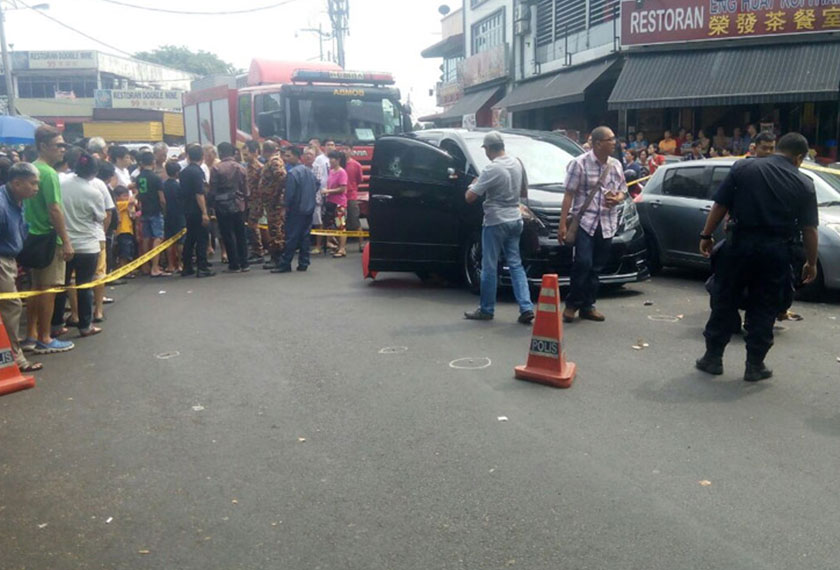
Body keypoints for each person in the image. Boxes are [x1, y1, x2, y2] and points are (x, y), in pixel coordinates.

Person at [695, 133, 819, 382]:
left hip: (739, 245)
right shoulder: (804, 183)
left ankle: (712, 358)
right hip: (776, 251)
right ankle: (754, 365)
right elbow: (810, 229)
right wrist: (811, 262)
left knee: (724, 298)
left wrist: (706, 234)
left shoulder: (744, 167)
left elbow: (720, 205)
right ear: (798, 158)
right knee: (764, 307)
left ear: (778, 149)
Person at [462, 132, 535, 324]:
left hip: (495, 221)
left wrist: (474, 184)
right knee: (515, 265)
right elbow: (523, 191)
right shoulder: (517, 163)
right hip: (515, 218)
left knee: (489, 266)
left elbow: (470, 198)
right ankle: (526, 307)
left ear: (488, 148)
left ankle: (486, 309)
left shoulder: (491, 169)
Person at [558, 126, 627, 324]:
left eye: (614, 139)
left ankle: (588, 305)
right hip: (585, 222)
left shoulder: (615, 165)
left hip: (607, 222)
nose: (615, 142)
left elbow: (622, 190)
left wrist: (617, 198)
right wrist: (562, 224)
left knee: (597, 267)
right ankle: (572, 304)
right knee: (583, 263)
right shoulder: (579, 164)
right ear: (598, 143)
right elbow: (568, 195)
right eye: (610, 139)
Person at [21, 126, 75, 355]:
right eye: (58, 145)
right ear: (43, 146)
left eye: (63, 145)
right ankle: (45, 336)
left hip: (30, 236)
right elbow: (54, 209)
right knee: (49, 288)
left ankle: (32, 334)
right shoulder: (49, 174)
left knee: (36, 287)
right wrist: (66, 240)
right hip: (47, 237)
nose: (62, 149)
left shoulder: (31, 169)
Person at [52, 152, 106, 337]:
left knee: (61, 285)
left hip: (63, 242)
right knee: (85, 286)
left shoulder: (60, 183)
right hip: (87, 245)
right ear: (94, 172)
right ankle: (85, 325)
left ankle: (56, 324)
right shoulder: (93, 192)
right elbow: (100, 217)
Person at [0, 163, 43, 372]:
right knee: (12, 306)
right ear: (17, 183)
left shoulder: (19, 201)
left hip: (9, 260)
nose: (36, 188)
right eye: (33, 183)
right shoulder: (1, 204)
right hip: (2, 261)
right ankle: (15, 358)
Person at [273, 146, 318, 273]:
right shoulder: (308, 171)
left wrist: (284, 207)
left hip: (296, 210)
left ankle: (285, 264)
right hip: (309, 208)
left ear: (296, 157)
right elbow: (317, 185)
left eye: (288, 156)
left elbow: (289, 195)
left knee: (291, 237)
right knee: (305, 236)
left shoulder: (293, 173)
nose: (285, 158)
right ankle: (303, 263)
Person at [210, 142, 249, 273]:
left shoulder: (216, 169)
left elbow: (213, 190)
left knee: (227, 234)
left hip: (222, 206)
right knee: (240, 234)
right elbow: (246, 190)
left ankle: (234, 264)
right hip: (239, 204)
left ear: (220, 153)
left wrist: (211, 205)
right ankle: (244, 263)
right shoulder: (241, 168)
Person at [180, 144, 215, 278]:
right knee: (202, 238)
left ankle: (187, 266)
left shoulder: (183, 172)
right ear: (202, 156)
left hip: (187, 209)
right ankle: (202, 266)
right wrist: (204, 212)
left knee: (190, 238)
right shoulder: (198, 172)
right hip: (197, 209)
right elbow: (199, 194)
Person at [136, 151, 169, 277]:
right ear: (153, 162)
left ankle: (146, 266)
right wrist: (165, 209)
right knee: (158, 237)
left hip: (144, 209)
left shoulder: (139, 177)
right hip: (155, 210)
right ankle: (155, 267)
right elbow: (161, 198)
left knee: (146, 238)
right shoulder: (156, 178)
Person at [256, 141, 287, 269]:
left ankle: (278, 258)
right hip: (270, 202)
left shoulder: (275, 161)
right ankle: (275, 257)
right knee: (273, 228)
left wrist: (275, 193)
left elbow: (282, 177)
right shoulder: (271, 161)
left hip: (275, 203)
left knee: (276, 230)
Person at [322, 150, 349, 258]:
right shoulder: (331, 171)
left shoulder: (342, 172)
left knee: (341, 226)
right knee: (332, 225)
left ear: (338, 160)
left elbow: (342, 189)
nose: (330, 161)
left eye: (332, 159)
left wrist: (328, 191)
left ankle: (342, 248)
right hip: (331, 202)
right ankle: (337, 246)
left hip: (339, 204)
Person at [242, 140, 264, 262]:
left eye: (247, 154)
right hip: (248, 201)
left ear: (255, 152)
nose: (245, 157)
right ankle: (255, 250)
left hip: (256, 201)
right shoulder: (246, 167)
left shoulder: (259, 168)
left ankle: (258, 252)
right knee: (250, 227)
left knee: (253, 226)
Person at [163, 161, 186, 273]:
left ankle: (170, 264)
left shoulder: (163, 185)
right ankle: (180, 263)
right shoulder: (179, 186)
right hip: (179, 214)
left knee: (168, 240)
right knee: (180, 241)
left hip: (167, 214)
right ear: (177, 172)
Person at [344, 146, 365, 252]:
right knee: (341, 222)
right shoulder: (339, 164)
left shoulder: (356, 165)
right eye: (343, 149)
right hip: (340, 197)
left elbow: (359, 180)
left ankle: (361, 244)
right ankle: (342, 246)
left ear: (352, 151)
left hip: (351, 196)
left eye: (347, 149)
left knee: (355, 221)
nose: (345, 151)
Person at [114, 186, 136, 270]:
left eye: (127, 195)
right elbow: (132, 201)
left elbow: (133, 215)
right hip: (122, 231)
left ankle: (127, 269)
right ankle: (123, 269)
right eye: (124, 196)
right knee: (124, 252)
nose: (126, 198)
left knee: (129, 251)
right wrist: (135, 193)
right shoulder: (118, 204)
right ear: (117, 197)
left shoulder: (126, 205)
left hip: (129, 230)